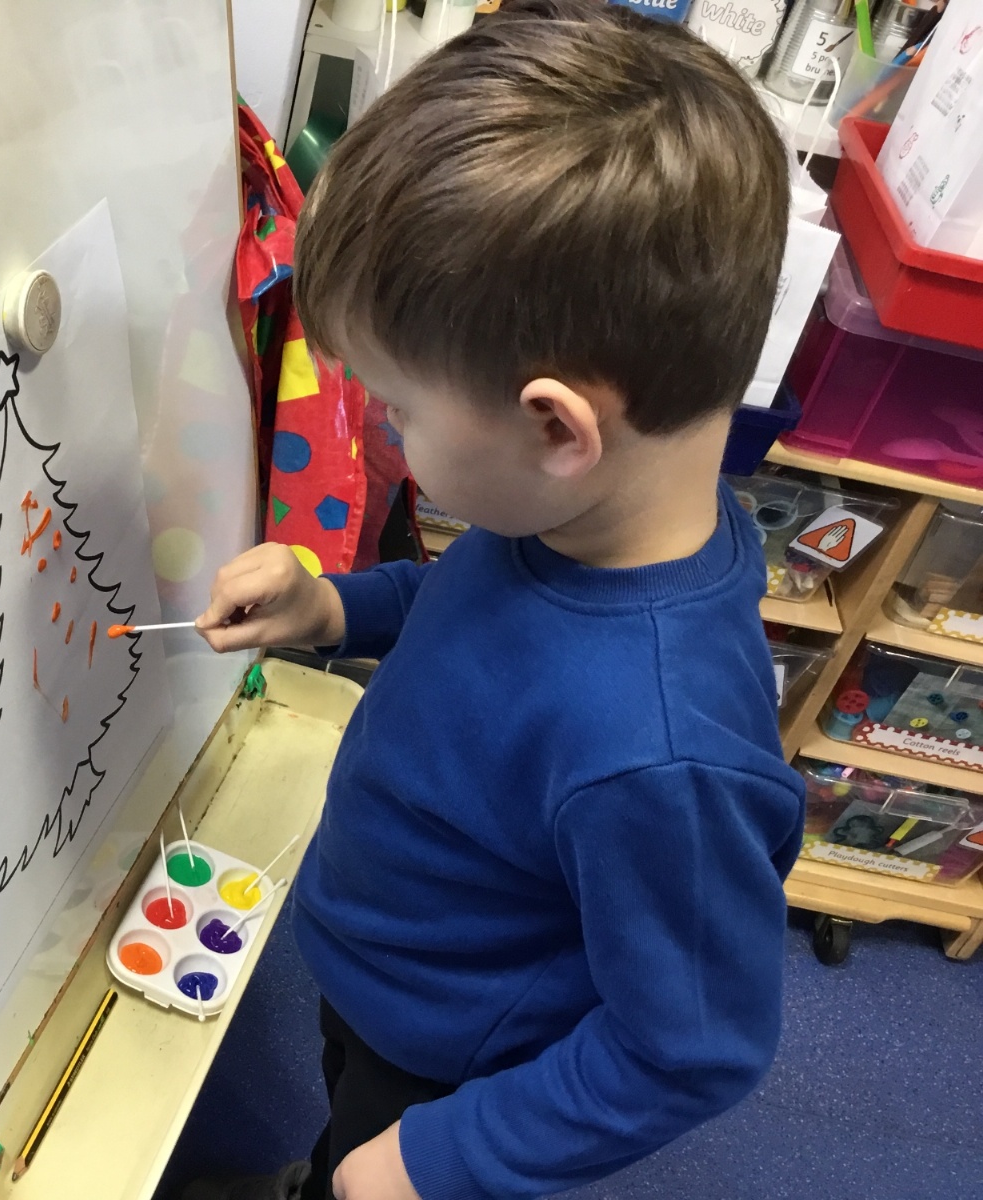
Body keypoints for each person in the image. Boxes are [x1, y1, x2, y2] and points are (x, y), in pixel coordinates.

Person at [184, 2, 806, 1197]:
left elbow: (692, 1047)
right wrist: (335, 611)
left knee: (364, 1168)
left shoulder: (658, 757)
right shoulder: (581, 523)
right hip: (390, 984)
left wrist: (435, 1158)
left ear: (556, 428)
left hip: (448, 1068)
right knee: (340, 1134)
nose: (382, 433)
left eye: (398, 410)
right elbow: (471, 612)